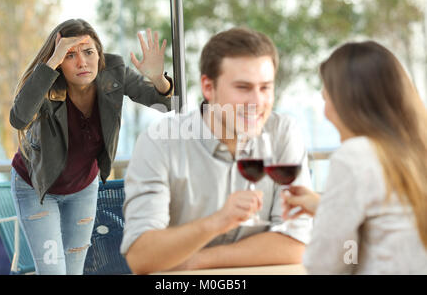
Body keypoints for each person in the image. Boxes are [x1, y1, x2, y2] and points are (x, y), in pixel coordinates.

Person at [121, 27, 313, 274]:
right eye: (243, 87)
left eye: (265, 87)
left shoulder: (282, 132)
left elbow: (296, 244)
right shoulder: (160, 142)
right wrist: (216, 223)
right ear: (208, 87)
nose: (257, 102)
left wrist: (195, 260)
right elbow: (142, 256)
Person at [9, 18, 173, 275]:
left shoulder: (114, 74)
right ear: (59, 62)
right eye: (69, 55)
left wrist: (159, 80)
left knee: (75, 271)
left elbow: (167, 105)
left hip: (83, 188)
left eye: (88, 52)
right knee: (53, 271)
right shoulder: (46, 83)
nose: (82, 62)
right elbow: (19, 118)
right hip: (36, 188)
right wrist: (50, 63)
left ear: (99, 54)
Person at [281, 41, 427, 274]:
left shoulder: (356, 155)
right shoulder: (415, 151)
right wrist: (326, 208)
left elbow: (327, 265)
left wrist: (336, 229)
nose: (325, 112)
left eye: (325, 99)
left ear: (347, 103)